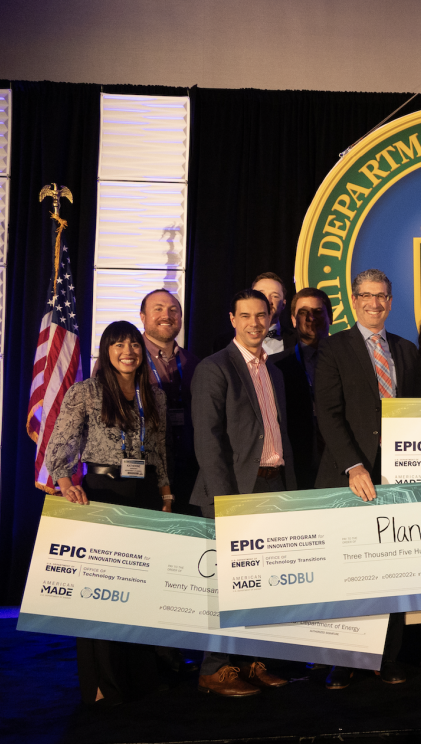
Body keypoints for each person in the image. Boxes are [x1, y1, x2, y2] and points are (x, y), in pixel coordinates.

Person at [46, 321, 172, 706]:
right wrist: (66, 483)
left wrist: (166, 492)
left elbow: (159, 449)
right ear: (106, 350)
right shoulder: (84, 392)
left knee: (140, 592)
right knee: (101, 594)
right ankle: (101, 682)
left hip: (146, 494)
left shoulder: (153, 394)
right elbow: (59, 447)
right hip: (103, 494)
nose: (128, 351)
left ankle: (138, 678)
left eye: (134, 344)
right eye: (118, 344)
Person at [314, 269, 421, 687]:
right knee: (350, 571)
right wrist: (354, 465)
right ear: (353, 300)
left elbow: (418, 415)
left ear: (390, 302)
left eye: (382, 296)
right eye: (366, 296)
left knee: (392, 568)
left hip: (398, 476)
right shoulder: (333, 348)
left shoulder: (407, 351)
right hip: (351, 476)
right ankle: (344, 658)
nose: (374, 303)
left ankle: (386, 657)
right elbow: (328, 412)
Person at [189, 289, 297, 697]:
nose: (255, 322)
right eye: (246, 315)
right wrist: (226, 503)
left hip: (272, 488)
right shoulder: (214, 368)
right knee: (223, 586)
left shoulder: (275, 372)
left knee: (259, 584)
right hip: (231, 494)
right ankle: (214, 668)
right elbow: (208, 441)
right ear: (232, 319)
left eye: (261, 315)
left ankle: (250, 661)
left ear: (270, 319)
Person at [138, 289, 199, 515]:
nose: (167, 315)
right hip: (143, 475)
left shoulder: (195, 363)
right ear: (142, 316)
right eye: (158, 309)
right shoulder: (124, 359)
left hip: (188, 473)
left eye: (174, 310)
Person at [270, 286, 329, 491]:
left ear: (330, 317)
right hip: (294, 466)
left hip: (338, 463)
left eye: (318, 312)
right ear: (294, 320)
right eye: (303, 313)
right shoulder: (276, 366)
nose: (310, 318)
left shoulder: (349, 362)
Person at [252, 272, 288, 358]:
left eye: (275, 296)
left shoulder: (298, 341)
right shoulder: (223, 343)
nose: (267, 301)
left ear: (283, 304)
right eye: (261, 294)